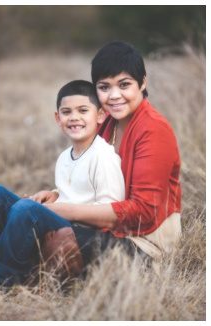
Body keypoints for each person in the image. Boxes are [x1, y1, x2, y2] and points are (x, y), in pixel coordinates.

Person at [46, 40, 181, 268]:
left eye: (124, 84)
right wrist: (55, 196)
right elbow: (90, 178)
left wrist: (64, 210)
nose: (114, 95)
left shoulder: (154, 130)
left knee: (58, 239)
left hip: (144, 242)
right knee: (11, 205)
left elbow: (143, 211)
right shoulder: (105, 121)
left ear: (142, 83)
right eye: (104, 87)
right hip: (111, 229)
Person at [0, 80, 126, 287]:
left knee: (26, 209)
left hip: (84, 238)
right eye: (66, 112)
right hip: (62, 225)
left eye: (83, 110)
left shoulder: (103, 157)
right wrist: (54, 195)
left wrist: (54, 210)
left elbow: (111, 214)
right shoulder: (65, 156)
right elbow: (74, 190)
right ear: (58, 118)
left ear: (101, 115)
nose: (74, 117)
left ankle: (3, 279)